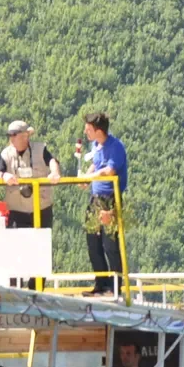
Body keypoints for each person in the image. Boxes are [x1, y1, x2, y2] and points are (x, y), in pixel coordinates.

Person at [74, 111, 129, 296]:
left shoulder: (116, 146)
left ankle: (115, 287)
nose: (85, 132)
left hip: (110, 198)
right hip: (95, 198)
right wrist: (85, 179)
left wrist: (90, 176)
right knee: (93, 242)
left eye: (88, 129)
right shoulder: (96, 145)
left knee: (110, 243)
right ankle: (100, 284)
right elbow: (96, 165)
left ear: (98, 130)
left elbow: (110, 170)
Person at [0, 119, 60, 229]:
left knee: (42, 244)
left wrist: (55, 172)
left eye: (14, 135)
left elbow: (52, 160)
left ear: (25, 136)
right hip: (16, 212)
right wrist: (4, 176)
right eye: (9, 135)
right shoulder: (6, 154)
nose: (11, 138)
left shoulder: (40, 149)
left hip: (42, 209)